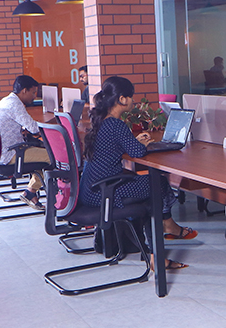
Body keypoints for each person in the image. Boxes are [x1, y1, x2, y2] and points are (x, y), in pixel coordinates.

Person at [79, 76, 196, 268]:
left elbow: (121, 147)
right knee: (157, 184)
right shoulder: (115, 124)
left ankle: (156, 254)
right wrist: (139, 144)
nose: (133, 101)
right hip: (103, 193)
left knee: (152, 192)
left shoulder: (102, 121)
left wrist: (134, 142)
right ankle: (166, 229)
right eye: (131, 97)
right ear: (122, 99)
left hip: (91, 190)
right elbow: (138, 152)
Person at [0, 75, 50, 210]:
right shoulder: (15, 104)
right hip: (11, 153)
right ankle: (30, 192)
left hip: (3, 150)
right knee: (54, 157)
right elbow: (34, 128)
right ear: (24, 91)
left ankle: (32, 194)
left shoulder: (6, 100)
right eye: (33, 92)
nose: (34, 96)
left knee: (40, 150)